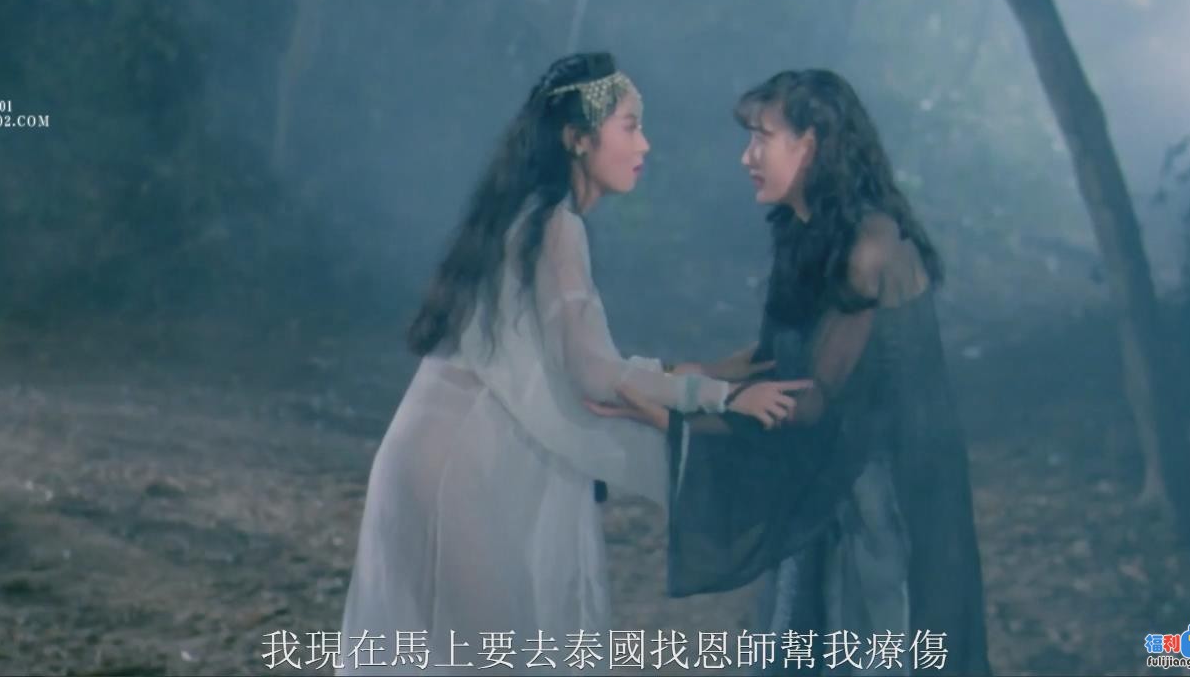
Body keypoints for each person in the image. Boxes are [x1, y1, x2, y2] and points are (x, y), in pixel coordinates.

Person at [336, 52, 808, 676]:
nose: (644, 144)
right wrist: (723, 397)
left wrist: (708, 376)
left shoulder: (537, 217)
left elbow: (576, 363)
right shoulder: (553, 226)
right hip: (456, 464)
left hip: (444, 451)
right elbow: (593, 375)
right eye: (630, 126)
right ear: (578, 138)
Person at [592, 69, 991, 676]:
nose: (747, 155)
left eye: (763, 137)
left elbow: (808, 400)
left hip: (877, 503)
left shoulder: (870, 248)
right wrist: (670, 381)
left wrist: (670, 414)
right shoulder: (809, 231)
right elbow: (774, 360)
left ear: (811, 145)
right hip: (827, 483)